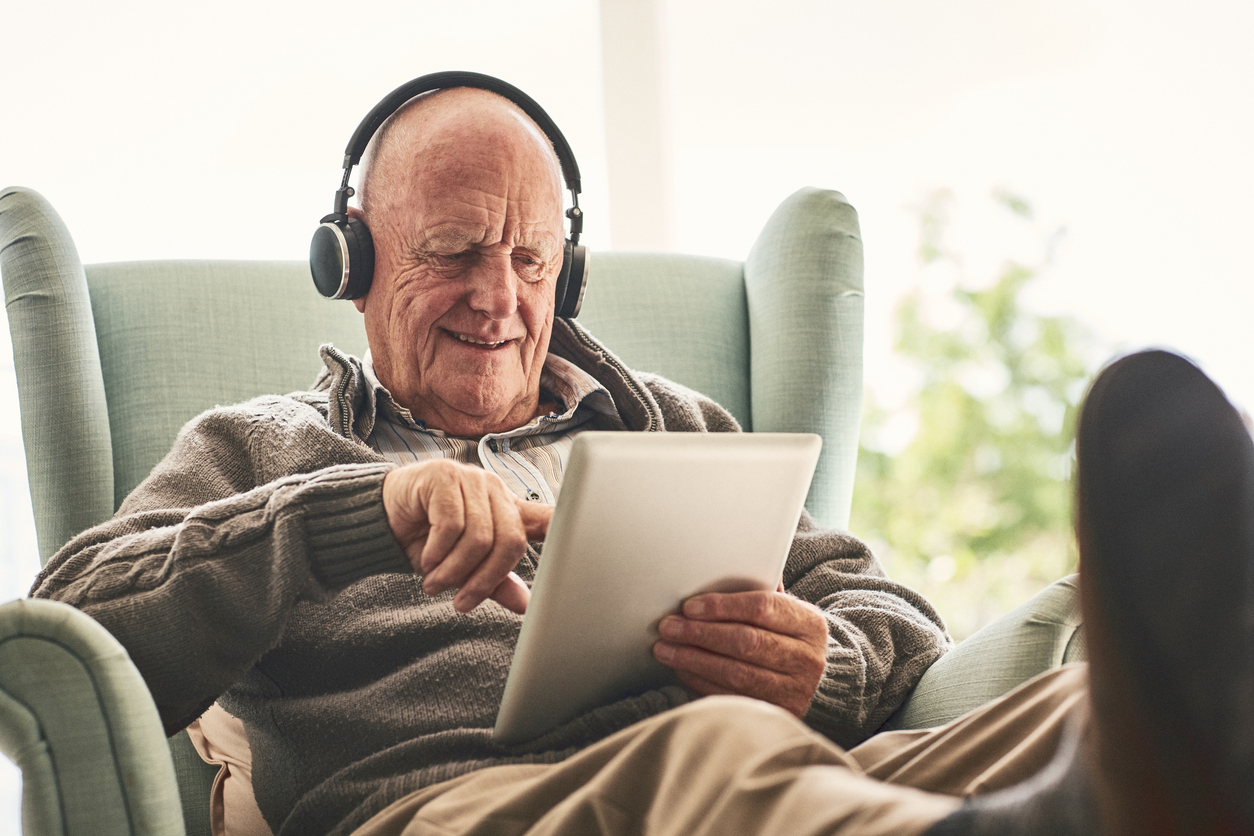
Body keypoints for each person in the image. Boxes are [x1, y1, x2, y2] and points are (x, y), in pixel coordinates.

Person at [30, 77, 1253, 836]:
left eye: (530, 257)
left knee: (1107, 707)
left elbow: (896, 619)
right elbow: (73, 618)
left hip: (783, 781)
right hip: (458, 806)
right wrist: (358, 510)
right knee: (715, 748)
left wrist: (817, 663)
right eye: (453, 249)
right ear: (348, 264)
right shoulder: (264, 446)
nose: (499, 298)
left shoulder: (673, 423)